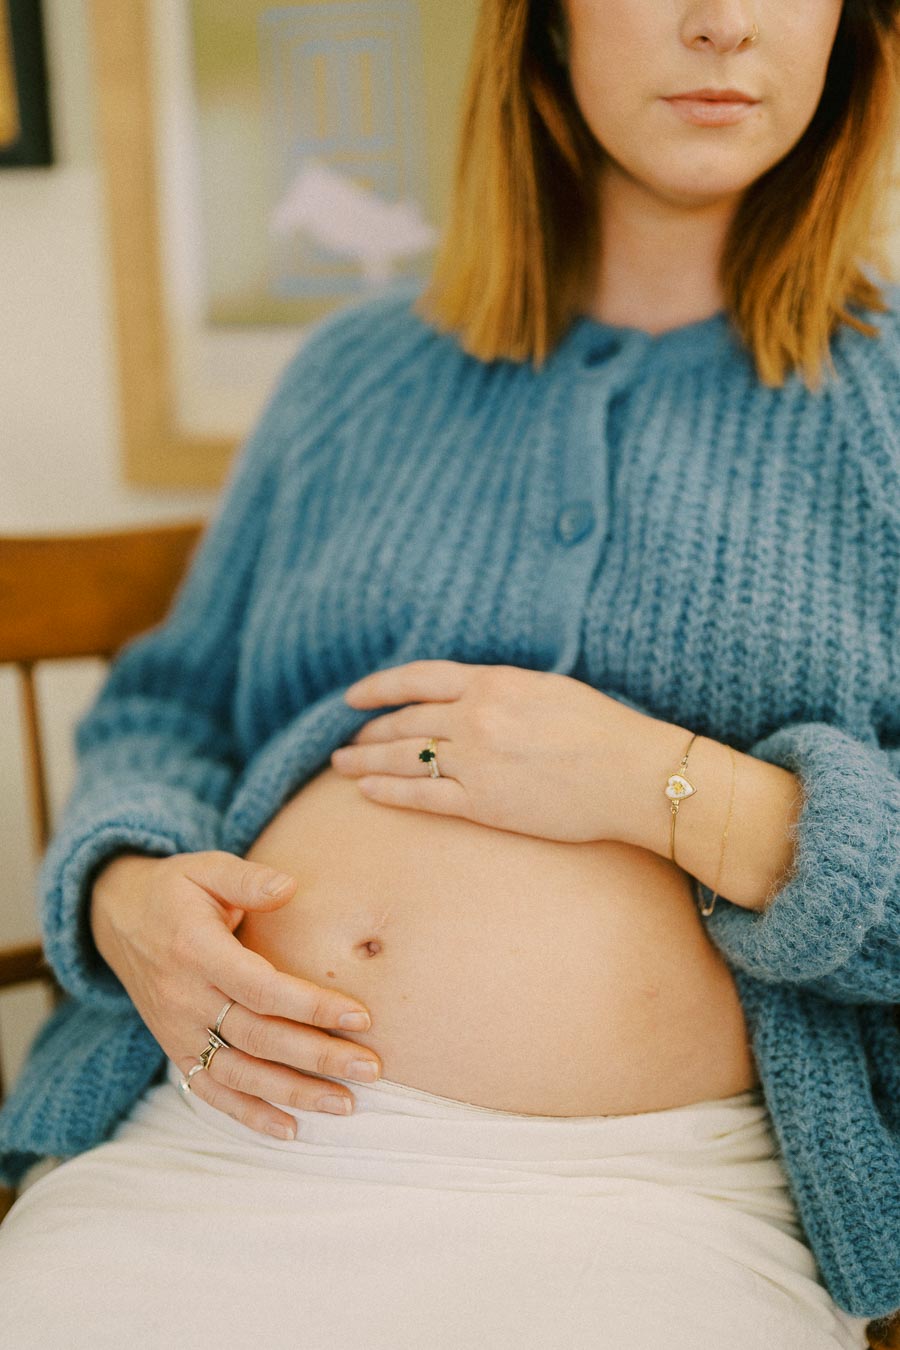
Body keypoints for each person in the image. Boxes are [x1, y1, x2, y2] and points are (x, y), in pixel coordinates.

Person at [1, 1, 899, 1346]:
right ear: (543, 28)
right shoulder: (354, 380)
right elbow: (165, 709)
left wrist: (666, 789)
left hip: (647, 1198)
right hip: (217, 1131)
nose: (722, 23)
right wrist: (128, 892)